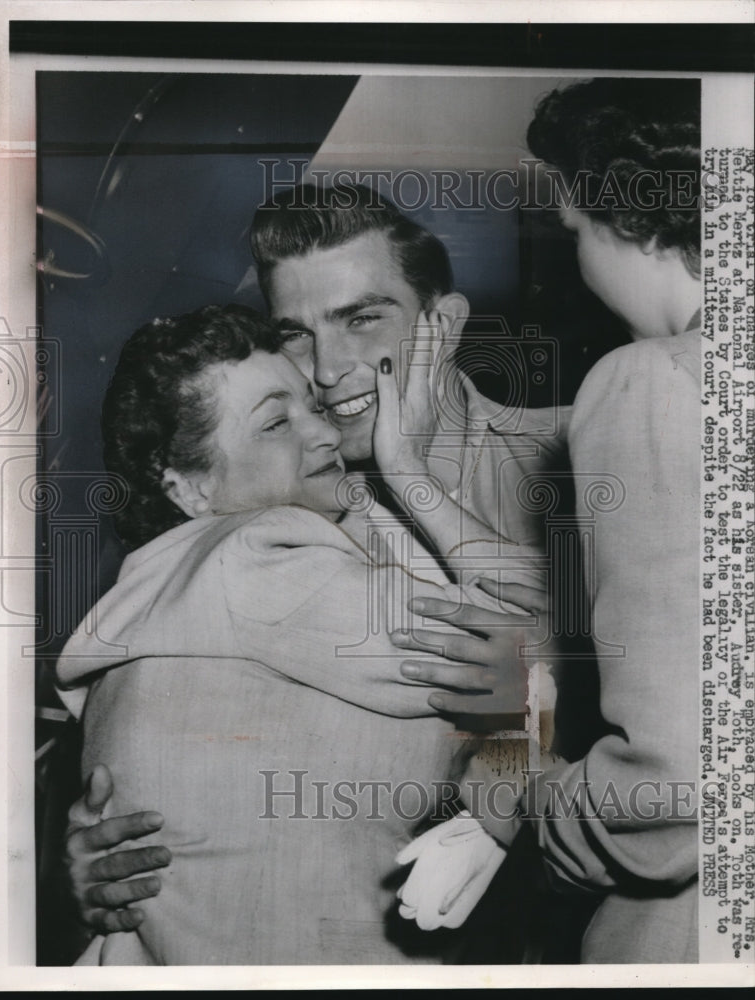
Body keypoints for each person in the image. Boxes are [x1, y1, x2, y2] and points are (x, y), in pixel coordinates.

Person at [63, 180, 572, 935]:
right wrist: (91, 866)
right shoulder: (286, 514)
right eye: (294, 332)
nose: (327, 369)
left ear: (444, 323)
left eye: (361, 318)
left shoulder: (584, 449)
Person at [394, 77, 702, 964]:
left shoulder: (652, 380)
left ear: (634, 224)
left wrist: (522, 817)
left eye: (571, 231)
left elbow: (681, 777)